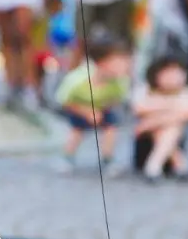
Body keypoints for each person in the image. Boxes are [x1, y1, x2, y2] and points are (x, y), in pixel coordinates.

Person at [54, 31, 131, 175]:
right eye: (120, 61)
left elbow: (117, 99)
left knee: (111, 127)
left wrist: (102, 110)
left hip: (103, 109)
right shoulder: (78, 79)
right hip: (78, 107)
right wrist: (86, 111)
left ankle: (108, 158)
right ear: (101, 62)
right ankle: (67, 157)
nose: (126, 65)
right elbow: (63, 100)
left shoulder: (121, 81)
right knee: (76, 130)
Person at [131, 57, 188, 181]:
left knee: (170, 128)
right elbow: (139, 109)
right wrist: (171, 110)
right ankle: (179, 162)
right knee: (168, 128)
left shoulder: (186, 92)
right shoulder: (146, 89)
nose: (174, 79)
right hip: (147, 137)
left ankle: (154, 165)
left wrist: (150, 123)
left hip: (156, 130)